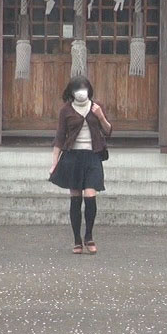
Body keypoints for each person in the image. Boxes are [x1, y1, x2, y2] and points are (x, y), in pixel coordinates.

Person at [49, 75, 112, 254]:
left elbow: (108, 130)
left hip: (92, 156)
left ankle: (89, 236)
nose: (81, 92)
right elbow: (60, 137)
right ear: (71, 92)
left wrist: (100, 116)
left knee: (90, 195)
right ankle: (77, 239)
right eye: (77, 89)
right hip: (72, 157)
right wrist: (54, 163)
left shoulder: (96, 107)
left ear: (89, 90)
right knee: (75, 198)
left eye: (84, 88)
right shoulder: (66, 110)